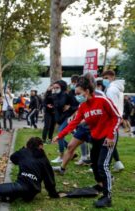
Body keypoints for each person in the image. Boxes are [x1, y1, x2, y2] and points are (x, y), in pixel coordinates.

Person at [53, 75, 121, 208]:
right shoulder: (83, 106)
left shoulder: (102, 100)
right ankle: (101, 185)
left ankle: (107, 197)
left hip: (108, 137)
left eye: (78, 93)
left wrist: (110, 135)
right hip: (96, 137)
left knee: (103, 165)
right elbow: (74, 123)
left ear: (87, 91)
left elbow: (117, 117)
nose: (76, 96)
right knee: (95, 164)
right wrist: (60, 135)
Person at [0, 137, 59, 210]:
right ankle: (7, 197)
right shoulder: (44, 159)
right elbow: (49, 179)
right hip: (32, 193)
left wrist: (22, 154)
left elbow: (13, 158)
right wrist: (53, 194)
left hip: (20, 186)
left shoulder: (23, 152)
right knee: (11, 194)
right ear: (40, 146)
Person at [102, 70, 125, 171]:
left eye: (106, 78)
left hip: (112, 118)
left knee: (109, 140)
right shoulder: (117, 89)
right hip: (117, 116)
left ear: (112, 77)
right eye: (104, 78)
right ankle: (118, 163)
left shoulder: (111, 89)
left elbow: (111, 106)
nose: (104, 80)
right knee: (111, 140)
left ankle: (105, 165)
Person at [51, 80, 78, 163]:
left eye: (57, 87)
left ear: (62, 87)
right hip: (60, 118)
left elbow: (76, 105)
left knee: (60, 134)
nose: (55, 89)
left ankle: (61, 156)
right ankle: (72, 153)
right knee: (61, 136)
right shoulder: (56, 95)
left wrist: (69, 108)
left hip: (67, 117)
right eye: (54, 87)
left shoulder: (66, 95)